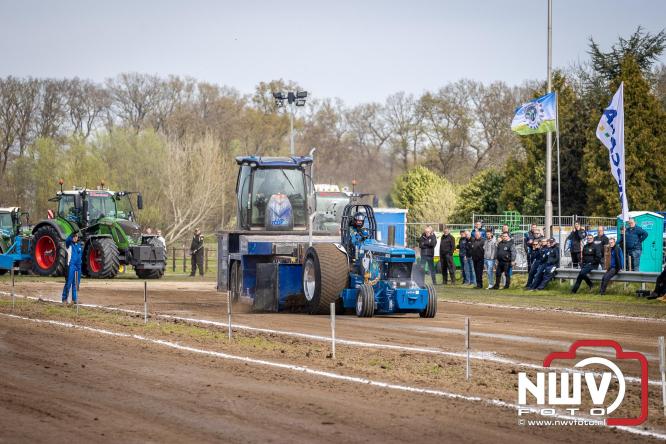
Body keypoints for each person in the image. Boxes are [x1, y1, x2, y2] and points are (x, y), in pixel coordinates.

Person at [62, 231, 83, 304]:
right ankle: (64, 299)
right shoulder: (69, 244)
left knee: (76, 284)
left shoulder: (79, 245)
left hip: (78, 267)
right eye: (73, 236)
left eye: (76, 236)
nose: (75, 237)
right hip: (70, 266)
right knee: (68, 283)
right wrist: (71, 234)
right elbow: (67, 240)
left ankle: (74, 299)